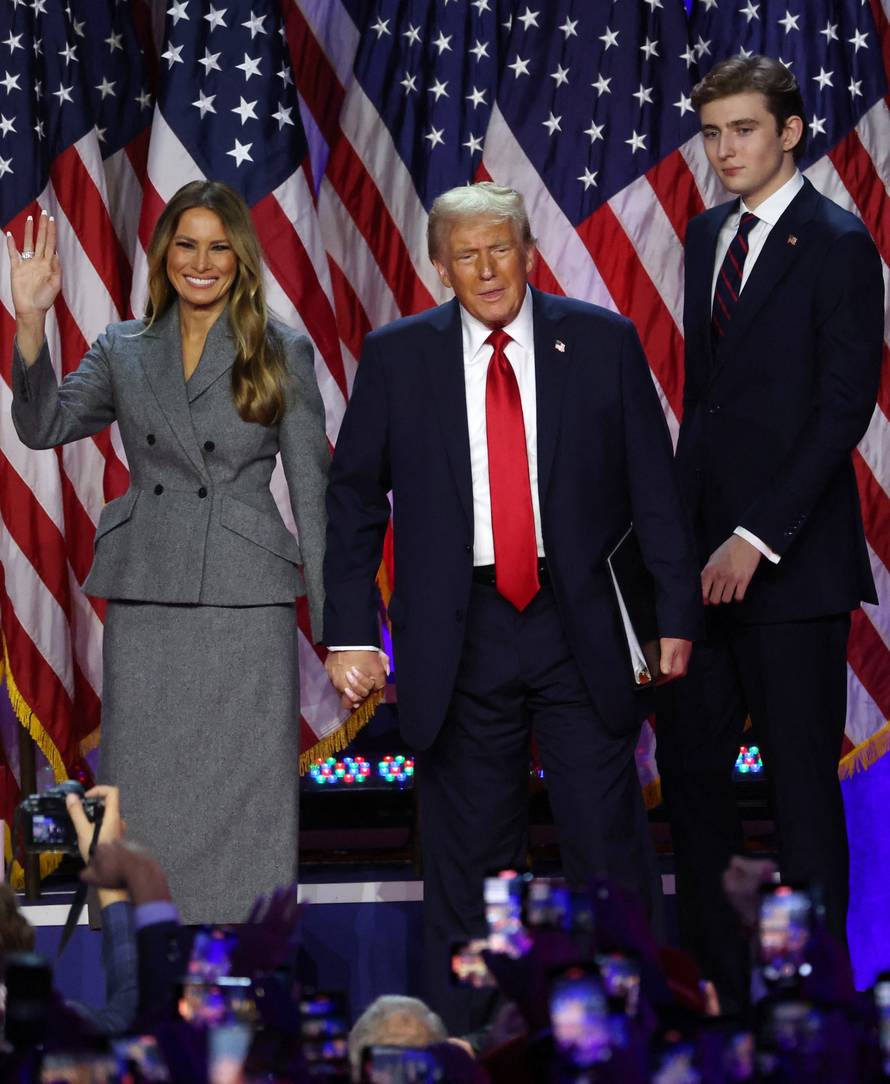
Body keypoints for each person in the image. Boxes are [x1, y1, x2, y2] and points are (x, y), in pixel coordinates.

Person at [322, 181, 702, 1032]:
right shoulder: (397, 357)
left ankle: (627, 1022)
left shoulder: (600, 342)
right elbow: (353, 504)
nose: (487, 269)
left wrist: (674, 612)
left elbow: (655, 488)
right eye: (467, 254)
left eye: (501, 248)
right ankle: (472, 1031)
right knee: (472, 854)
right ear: (440, 267)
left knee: (605, 838)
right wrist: (349, 630)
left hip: (583, 625)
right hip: (463, 630)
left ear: (530, 252)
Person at [8, 180, 329, 924]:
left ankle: (242, 976)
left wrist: (340, 630)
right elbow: (43, 426)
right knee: (141, 788)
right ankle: (137, 966)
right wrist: (31, 318)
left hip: (244, 598)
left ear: (241, 256)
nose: (202, 261)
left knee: (247, 796)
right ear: (164, 254)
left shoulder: (281, 348)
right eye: (186, 244)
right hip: (148, 591)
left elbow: (313, 491)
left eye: (219, 246)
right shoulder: (125, 346)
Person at [654, 55, 883, 1017]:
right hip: (702, 566)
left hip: (790, 571)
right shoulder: (707, 234)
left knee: (798, 795)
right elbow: (703, 406)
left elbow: (843, 410)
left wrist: (757, 536)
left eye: (742, 130)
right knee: (695, 779)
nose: (723, 150)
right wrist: (677, 543)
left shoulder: (838, 243)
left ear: (789, 132)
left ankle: (813, 1005)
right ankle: (723, 985)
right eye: (710, 133)